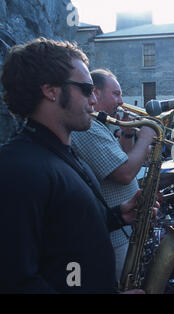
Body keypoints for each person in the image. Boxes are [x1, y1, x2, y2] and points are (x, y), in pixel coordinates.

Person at [0, 38, 141, 293]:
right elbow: (17, 280)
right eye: (87, 89)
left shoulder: (62, 154)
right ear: (51, 91)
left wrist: (118, 215)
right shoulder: (16, 169)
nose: (94, 101)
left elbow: (63, 234)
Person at [71, 69, 156, 280]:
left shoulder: (102, 126)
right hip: (114, 236)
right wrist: (145, 138)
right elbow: (125, 173)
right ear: (96, 93)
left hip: (121, 225)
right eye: (116, 94)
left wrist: (128, 134)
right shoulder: (89, 129)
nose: (121, 101)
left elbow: (125, 158)